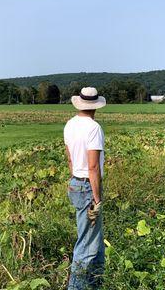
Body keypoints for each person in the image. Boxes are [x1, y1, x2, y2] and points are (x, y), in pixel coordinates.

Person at [64, 87, 106, 289]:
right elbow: (93, 166)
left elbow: (70, 159)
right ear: (96, 106)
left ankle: (96, 284)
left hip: (75, 183)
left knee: (95, 243)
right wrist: (97, 199)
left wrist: (75, 179)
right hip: (88, 187)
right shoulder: (93, 128)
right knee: (86, 247)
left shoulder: (70, 125)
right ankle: (76, 287)